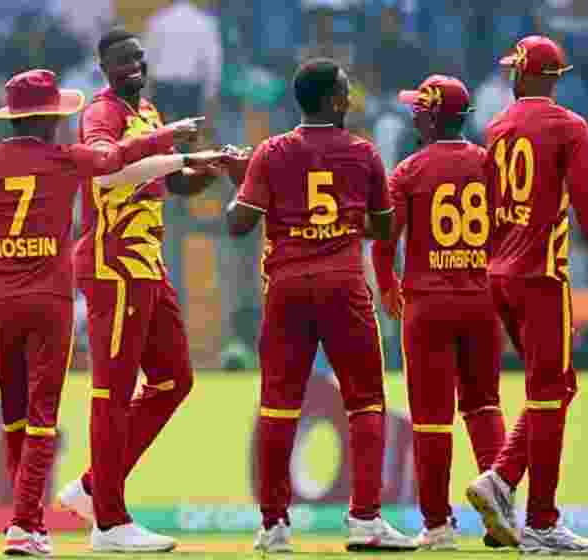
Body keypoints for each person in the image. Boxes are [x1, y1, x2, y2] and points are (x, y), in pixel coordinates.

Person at [0, 68, 225, 556]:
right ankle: (26, 525)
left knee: (14, 413)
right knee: (44, 414)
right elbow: (117, 156)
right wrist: (175, 140)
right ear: (50, 118)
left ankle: (24, 522)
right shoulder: (64, 159)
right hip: (50, 301)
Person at [224, 58, 418, 553]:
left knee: (278, 404)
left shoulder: (271, 153)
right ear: (333, 101)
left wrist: (240, 180)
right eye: (346, 91)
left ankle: (274, 527)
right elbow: (380, 228)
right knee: (366, 402)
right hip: (343, 288)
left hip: (287, 290)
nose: (350, 98)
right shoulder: (363, 153)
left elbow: (238, 224)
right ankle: (365, 521)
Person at [465, 36, 588, 555]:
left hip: (500, 274)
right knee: (550, 392)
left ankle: (501, 481)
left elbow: (489, 201)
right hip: (541, 275)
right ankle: (538, 520)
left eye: (515, 72)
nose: (512, 79)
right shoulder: (569, 127)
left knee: (555, 389)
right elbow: (587, 203)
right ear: (556, 78)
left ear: (525, 75)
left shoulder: (497, 127)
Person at [55, 29, 221, 553]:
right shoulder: (102, 114)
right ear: (104, 68)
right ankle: (109, 521)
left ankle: (90, 488)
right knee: (112, 389)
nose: (133, 66)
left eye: (139, 59)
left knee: (174, 379)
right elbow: (106, 177)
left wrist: (210, 166)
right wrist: (177, 156)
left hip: (148, 262)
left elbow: (167, 184)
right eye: (122, 61)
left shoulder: (148, 112)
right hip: (114, 263)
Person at [370, 75, 506, 550]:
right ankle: (501, 511)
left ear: (429, 117)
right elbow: (508, 236)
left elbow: (384, 243)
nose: (411, 115)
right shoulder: (491, 165)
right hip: (482, 300)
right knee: (484, 406)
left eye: (417, 110)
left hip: (427, 305)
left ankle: (438, 525)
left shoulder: (407, 172)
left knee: (431, 419)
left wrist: (387, 288)